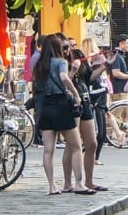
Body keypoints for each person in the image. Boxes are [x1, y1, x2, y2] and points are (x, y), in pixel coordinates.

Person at [33, 35, 92, 195]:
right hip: (60, 105)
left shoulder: (39, 64)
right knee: (76, 145)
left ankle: (52, 186)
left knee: (48, 149)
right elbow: (64, 77)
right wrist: (75, 94)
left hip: (45, 106)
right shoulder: (61, 62)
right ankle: (79, 183)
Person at [68, 48, 106, 191]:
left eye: (72, 44)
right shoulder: (62, 61)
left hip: (85, 100)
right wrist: (72, 70)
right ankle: (69, 183)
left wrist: (104, 65)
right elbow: (62, 81)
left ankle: (89, 181)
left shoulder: (79, 56)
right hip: (72, 103)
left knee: (91, 143)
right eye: (67, 45)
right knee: (72, 146)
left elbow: (90, 77)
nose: (70, 47)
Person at [107, 34, 128, 143]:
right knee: (116, 115)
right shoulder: (116, 56)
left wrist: (127, 74)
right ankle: (108, 136)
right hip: (118, 90)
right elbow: (115, 73)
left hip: (124, 90)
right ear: (121, 43)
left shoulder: (120, 56)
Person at [85, 50, 111, 165]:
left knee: (103, 134)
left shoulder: (100, 77)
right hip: (95, 107)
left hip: (101, 107)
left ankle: (96, 157)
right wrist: (103, 90)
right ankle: (91, 156)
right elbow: (91, 93)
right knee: (98, 134)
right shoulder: (92, 77)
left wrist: (106, 109)